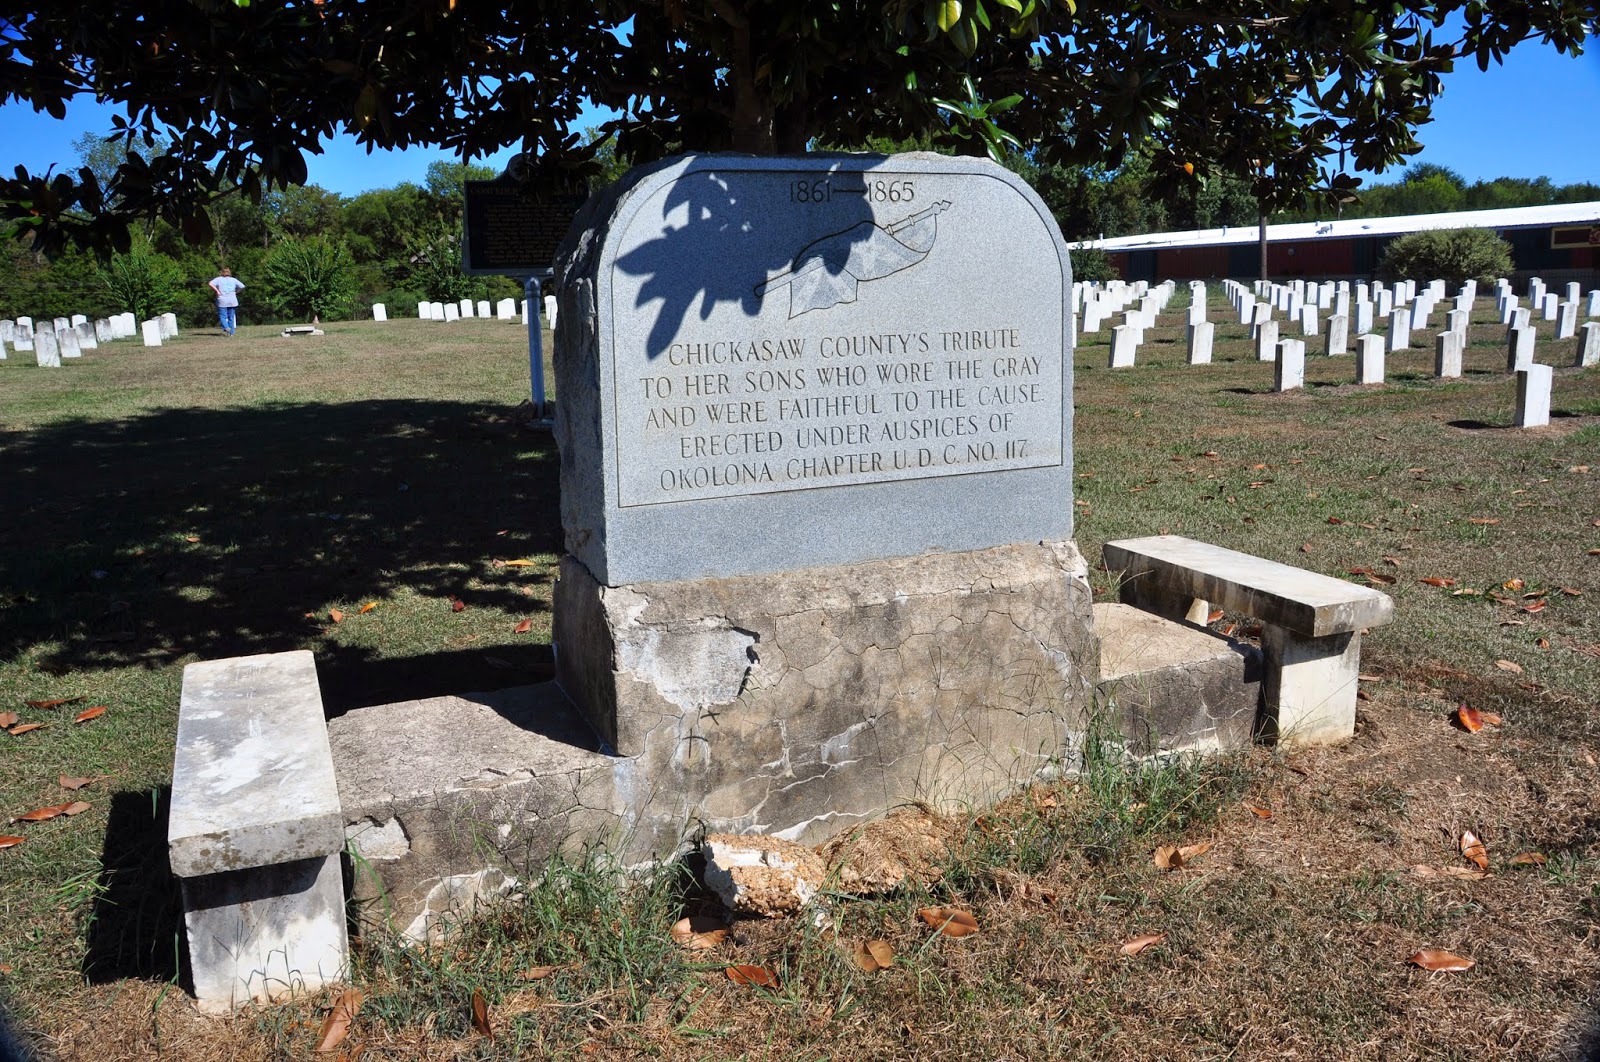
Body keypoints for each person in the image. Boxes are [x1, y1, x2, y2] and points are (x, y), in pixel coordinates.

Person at [208, 267, 245, 336]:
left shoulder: (218, 279)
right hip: (232, 300)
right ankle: (232, 333)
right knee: (231, 317)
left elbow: (210, 283)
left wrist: (217, 291)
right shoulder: (233, 280)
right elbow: (242, 286)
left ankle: (226, 327)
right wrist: (237, 292)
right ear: (229, 272)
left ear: (222, 272)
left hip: (222, 300)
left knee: (223, 316)